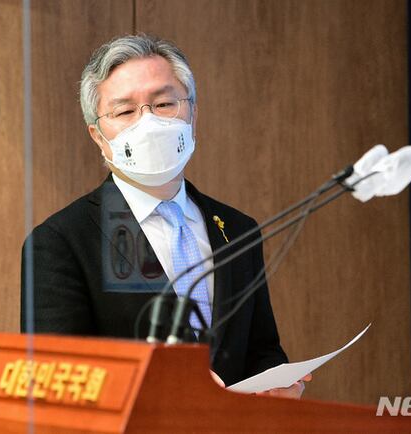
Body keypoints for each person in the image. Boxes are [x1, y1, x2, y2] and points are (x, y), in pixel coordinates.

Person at [21, 34, 309, 398]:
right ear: (97, 135)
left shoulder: (237, 230)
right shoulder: (61, 242)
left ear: (192, 113)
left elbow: (261, 350)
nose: (149, 123)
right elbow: (53, 380)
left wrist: (278, 387)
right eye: (125, 112)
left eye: (164, 104)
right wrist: (166, 386)